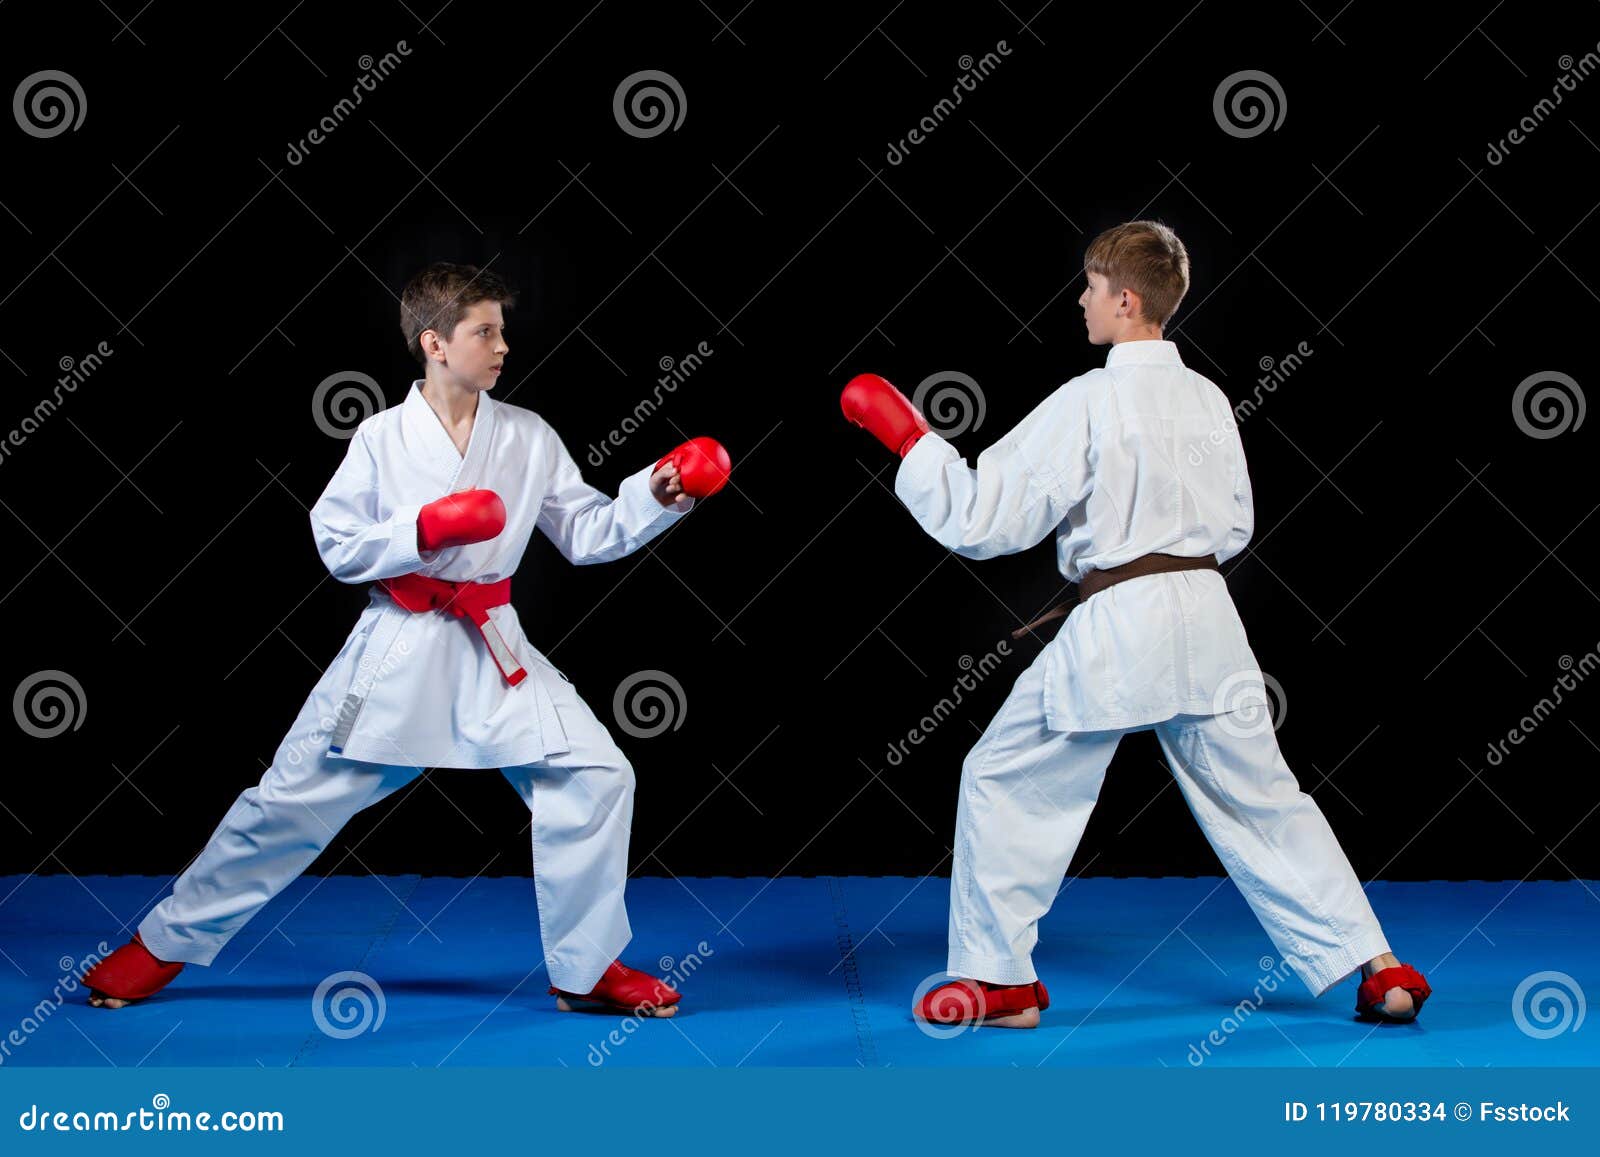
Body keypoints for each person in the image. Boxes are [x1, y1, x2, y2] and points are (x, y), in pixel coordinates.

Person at [82, 261, 731, 1019]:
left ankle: (585, 970)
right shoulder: (381, 436)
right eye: (484, 332)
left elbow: (587, 532)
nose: (502, 346)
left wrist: (654, 492)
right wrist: (423, 530)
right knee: (288, 801)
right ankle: (164, 942)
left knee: (597, 776)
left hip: (493, 646)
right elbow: (336, 541)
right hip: (398, 648)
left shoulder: (527, 435)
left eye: (502, 331)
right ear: (434, 342)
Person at [841, 221, 1431, 1029]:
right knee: (1266, 800)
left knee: (1002, 777)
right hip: (1210, 621)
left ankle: (1001, 981)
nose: (1080, 300)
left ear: (1125, 299)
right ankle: (1381, 967)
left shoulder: (1091, 399)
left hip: (1120, 628)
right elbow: (1234, 525)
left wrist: (912, 442)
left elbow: (984, 518)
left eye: (1090, 287)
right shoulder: (1210, 399)